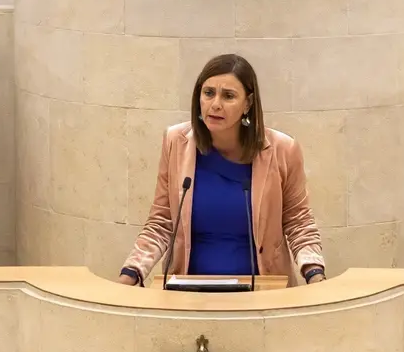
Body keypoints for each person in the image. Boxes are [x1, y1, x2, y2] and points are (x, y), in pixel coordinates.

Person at [118, 54, 326, 287]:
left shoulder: (282, 149)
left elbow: (298, 223)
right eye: (208, 93)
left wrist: (314, 273)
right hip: (187, 292)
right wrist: (131, 272)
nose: (215, 104)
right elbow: (161, 221)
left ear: (247, 104)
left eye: (228, 96)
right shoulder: (176, 142)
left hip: (263, 292)